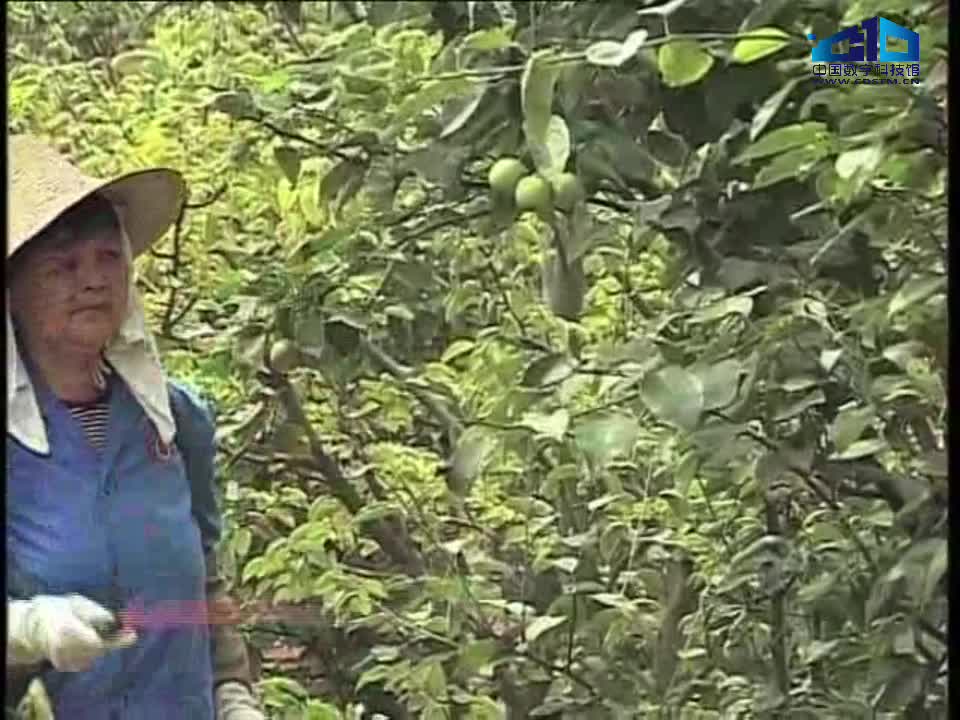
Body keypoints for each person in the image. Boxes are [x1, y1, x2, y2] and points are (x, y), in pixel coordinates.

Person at [6, 135, 266, 719]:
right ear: (13, 292)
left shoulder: (175, 421)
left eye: (108, 257)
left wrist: (233, 692)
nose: (93, 280)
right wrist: (25, 630)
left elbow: (205, 578)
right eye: (62, 266)